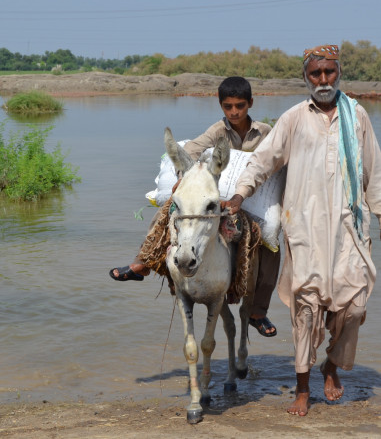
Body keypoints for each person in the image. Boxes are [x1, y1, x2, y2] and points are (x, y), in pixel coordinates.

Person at [221, 45, 381, 416]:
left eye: (328, 72)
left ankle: (331, 365)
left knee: (355, 308)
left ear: (338, 72)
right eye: (315, 74)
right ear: (305, 77)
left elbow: (373, 171)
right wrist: (240, 194)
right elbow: (264, 161)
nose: (323, 80)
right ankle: (304, 387)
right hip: (305, 229)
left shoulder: (357, 116)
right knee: (307, 310)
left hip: (348, 228)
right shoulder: (293, 118)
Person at [110, 76, 280, 337]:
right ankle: (143, 263)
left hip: (249, 200)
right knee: (171, 208)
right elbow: (189, 151)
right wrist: (183, 178)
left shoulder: (265, 132)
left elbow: (274, 162)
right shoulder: (217, 131)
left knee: (271, 244)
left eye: (240, 106)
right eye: (228, 106)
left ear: (250, 103)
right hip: (215, 201)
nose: (234, 112)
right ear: (220, 105)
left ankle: (258, 312)